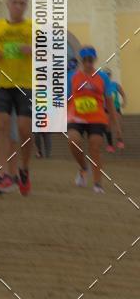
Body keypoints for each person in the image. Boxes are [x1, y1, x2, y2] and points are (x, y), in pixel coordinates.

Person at [0, 0, 33, 196]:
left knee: (24, 129)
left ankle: (24, 168)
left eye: (22, 3)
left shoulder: (34, 28)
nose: (18, 6)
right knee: (2, 125)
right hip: (0, 82)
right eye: (14, 2)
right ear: (7, 3)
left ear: (26, 5)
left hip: (26, 83)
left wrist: (34, 51)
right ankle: (5, 175)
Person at [68, 47, 115, 193]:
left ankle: (97, 183)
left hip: (97, 117)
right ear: (81, 61)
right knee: (73, 141)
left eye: (91, 60)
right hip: (77, 116)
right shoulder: (72, 77)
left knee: (95, 148)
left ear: (94, 60)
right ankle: (83, 168)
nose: (88, 63)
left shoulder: (103, 77)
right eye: (85, 60)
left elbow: (109, 101)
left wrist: (113, 123)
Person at [103, 69, 126, 152]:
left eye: (108, 75)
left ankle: (120, 141)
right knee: (108, 127)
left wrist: (124, 102)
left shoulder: (115, 85)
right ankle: (110, 145)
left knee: (118, 125)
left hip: (116, 108)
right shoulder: (101, 86)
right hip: (106, 109)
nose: (107, 76)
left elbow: (123, 94)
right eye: (105, 75)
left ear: (110, 76)